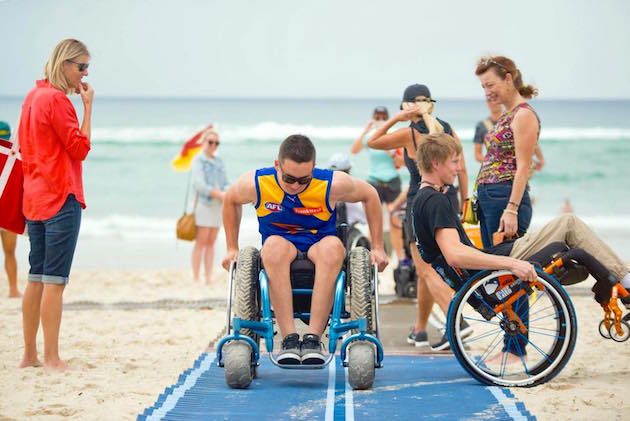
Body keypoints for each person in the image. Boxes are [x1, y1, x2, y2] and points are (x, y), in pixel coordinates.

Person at [411, 132, 630, 361]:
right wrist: (512, 263)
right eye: (454, 162)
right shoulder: (435, 201)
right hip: (492, 274)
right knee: (569, 224)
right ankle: (626, 282)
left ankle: (612, 280)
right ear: (436, 163)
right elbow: (454, 254)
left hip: (483, 273)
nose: (458, 168)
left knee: (573, 254)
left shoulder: (421, 200)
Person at [221, 134, 388, 365]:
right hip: (280, 246)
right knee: (273, 248)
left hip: (319, 246)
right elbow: (230, 199)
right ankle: (289, 338)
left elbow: (370, 194)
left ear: (314, 169)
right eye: (289, 179)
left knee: (333, 247)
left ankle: (313, 338)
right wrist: (231, 248)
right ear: (277, 164)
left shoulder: (330, 184)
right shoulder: (258, 183)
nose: (296, 186)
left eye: (304, 180)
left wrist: (378, 247)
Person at [368, 84, 470, 350]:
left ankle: (457, 323)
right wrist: (463, 202)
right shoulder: (447, 129)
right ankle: (420, 329)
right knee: (434, 267)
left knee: (424, 269)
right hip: (449, 198)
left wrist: (395, 119)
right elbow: (461, 169)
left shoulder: (409, 133)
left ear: (407, 106)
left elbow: (372, 141)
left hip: (420, 201)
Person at [18, 39, 93, 372]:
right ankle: (51, 358)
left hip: (33, 196)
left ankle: (29, 356)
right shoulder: (58, 100)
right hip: (61, 196)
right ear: (65, 65)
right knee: (54, 280)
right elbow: (79, 149)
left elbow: (23, 145)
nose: (85, 74)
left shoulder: (33, 97)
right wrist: (88, 108)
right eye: (81, 67)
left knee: (35, 278)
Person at [474, 56, 541, 249]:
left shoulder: (524, 115)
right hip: (490, 197)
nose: (487, 92)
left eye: (490, 85)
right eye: (483, 87)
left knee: (505, 268)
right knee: (493, 266)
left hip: (505, 197)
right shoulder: (507, 114)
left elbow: (523, 167)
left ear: (508, 79)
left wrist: (511, 209)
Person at [350, 106, 403, 260]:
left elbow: (400, 160)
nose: (380, 120)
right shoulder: (369, 137)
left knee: (395, 220)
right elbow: (354, 150)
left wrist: (387, 144)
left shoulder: (394, 136)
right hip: (374, 181)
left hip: (392, 181)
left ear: (387, 118)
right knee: (373, 220)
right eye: (377, 117)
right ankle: (370, 254)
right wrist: (366, 130)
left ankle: (399, 258)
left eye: (383, 117)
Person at [191, 128, 227, 284]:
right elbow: (199, 184)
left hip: (218, 206)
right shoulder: (198, 160)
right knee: (201, 241)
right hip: (204, 204)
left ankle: (208, 276)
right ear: (203, 142)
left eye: (216, 143)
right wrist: (217, 193)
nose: (213, 145)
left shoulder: (219, 161)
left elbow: (225, 182)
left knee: (212, 242)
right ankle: (196, 276)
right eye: (210, 142)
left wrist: (227, 193)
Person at [0, 121, 22, 298]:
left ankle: (14, 289)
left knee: (9, 252)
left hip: (6, 211)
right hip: (6, 209)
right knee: (9, 252)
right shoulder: (13, 157)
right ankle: (13, 289)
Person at [473, 99, 503, 163]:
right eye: (489, 100)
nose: (493, 102)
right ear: (487, 103)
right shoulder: (481, 126)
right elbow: (477, 154)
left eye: (496, 99)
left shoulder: (512, 121)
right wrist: (491, 163)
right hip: (493, 167)